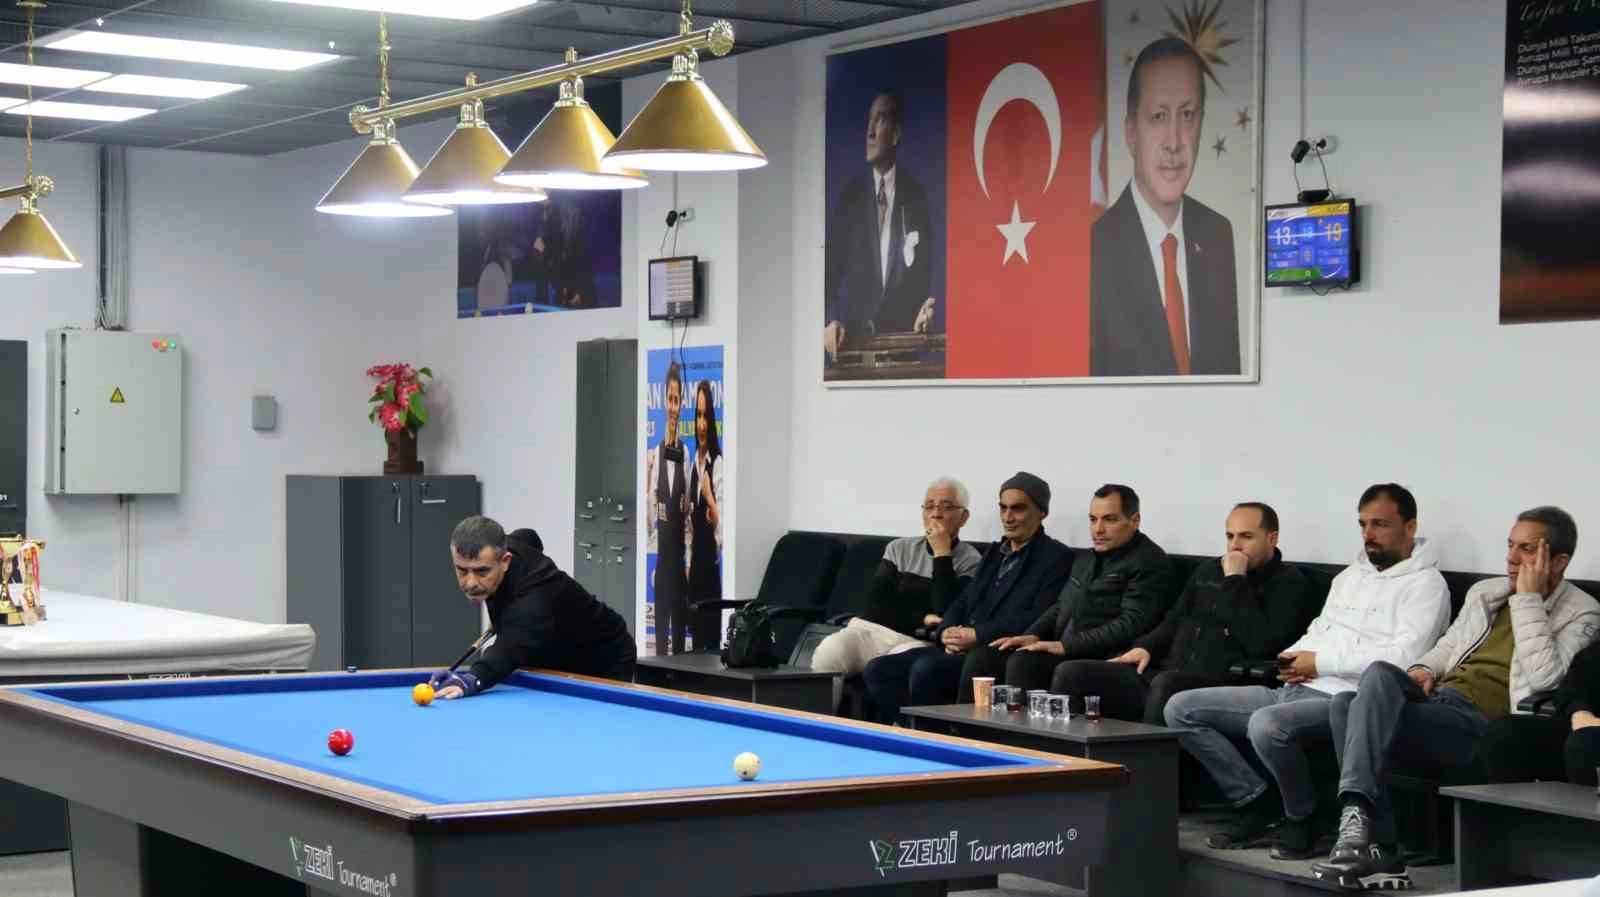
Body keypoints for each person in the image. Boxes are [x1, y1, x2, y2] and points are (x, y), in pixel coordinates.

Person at [1312, 508, 1600, 890]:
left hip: (1486, 723)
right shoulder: (1487, 593)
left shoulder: (1582, 612)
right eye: (1510, 546)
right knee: (1352, 697)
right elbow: (1448, 647)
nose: (1512, 558)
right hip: (1440, 703)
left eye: (1527, 549)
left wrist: (1528, 600)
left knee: (1350, 706)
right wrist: (1424, 669)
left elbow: (1548, 680)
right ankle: (1368, 832)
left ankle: (1372, 841)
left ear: (1559, 561)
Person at [1164, 484, 1450, 859]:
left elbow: (1402, 659)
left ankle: (1303, 817)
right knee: (1180, 708)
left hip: (1347, 699)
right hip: (1298, 686)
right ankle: (1255, 799)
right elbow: (1320, 629)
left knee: (1267, 724)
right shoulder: (1350, 577)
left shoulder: (1427, 585)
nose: (1368, 534)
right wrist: (1292, 658)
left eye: (1379, 524)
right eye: (1363, 524)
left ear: (1409, 527)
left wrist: (1320, 663)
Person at [1008, 502, 1308, 725]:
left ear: (1272, 538)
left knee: (1166, 685)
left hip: (1220, 682)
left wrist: (1235, 581)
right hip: (1166, 671)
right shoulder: (1209, 571)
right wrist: (1146, 647)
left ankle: (1151, 780)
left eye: (1246, 537)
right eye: (1230, 536)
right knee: (1073, 673)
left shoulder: (1287, 582)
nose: (1235, 546)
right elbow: (1175, 619)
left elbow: (1262, 643)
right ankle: (1071, 769)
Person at [861, 472, 1071, 724]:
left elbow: (1039, 615)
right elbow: (963, 600)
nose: (1007, 517)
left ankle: (932, 738)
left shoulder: (1056, 557)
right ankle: (917, 734)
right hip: (961, 645)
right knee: (878, 669)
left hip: (995, 650)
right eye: (1003, 508)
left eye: (1018, 509)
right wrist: (946, 631)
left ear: (1042, 512)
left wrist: (977, 635)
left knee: (927, 669)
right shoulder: (995, 552)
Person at [1090, 37, 1239, 377]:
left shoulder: (1218, 234)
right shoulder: (1095, 248)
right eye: (1158, 116)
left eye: (1187, 115)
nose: (1174, 142)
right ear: (1131, 133)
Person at [967, 485, 1175, 706]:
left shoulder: (1149, 561)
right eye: (1093, 519)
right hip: (1072, 649)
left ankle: (1025, 729)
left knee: (1027, 663)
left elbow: (1131, 623)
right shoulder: (1087, 558)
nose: (1098, 529)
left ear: (1134, 521)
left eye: (1109, 520)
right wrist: (1033, 634)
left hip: (1110, 657)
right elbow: (1061, 605)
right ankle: (963, 726)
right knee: (985, 657)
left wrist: (1066, 646)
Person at [429, 517, 636, 698]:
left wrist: (471, 679)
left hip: (602, 658)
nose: (470, 582)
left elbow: (507, 649)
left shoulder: (533, 601)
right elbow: (529, 536)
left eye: (482, 572)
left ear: (506, 561)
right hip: (550, 651)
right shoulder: (508, 544)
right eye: (462, 570)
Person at [810, 477, 984, 675]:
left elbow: (945, 613)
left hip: (917, 640)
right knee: (829, 652)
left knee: (888, 669)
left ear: (963, 517)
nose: (936, 514)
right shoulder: (899, 548)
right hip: (871, 630)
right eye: (929, 507)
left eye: (946, 507)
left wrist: (942, 554)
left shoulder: (972, 561)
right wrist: (923, 616)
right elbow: (876, 605)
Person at [824, 89, 936, 360]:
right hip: (853, 351)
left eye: (881, 120)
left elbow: (923, 278)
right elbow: (828, 274)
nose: (870, 132)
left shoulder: (916, 197)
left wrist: (921, 314)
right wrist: (830, 320)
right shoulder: (850, 197)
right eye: (869, 121)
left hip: (900, 353)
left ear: (896, 134)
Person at [1477, 638, 1600, 787]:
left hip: (1587, 743)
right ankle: (1512, 803)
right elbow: (1575, 681)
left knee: (1584, 743)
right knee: (1505, 734)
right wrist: (1580, 712)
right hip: (1585, 730)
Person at [644, 361, 690, 655]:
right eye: (669, 400)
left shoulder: (685, 453)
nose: (673, 407)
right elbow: (650, 518)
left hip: (680, 562)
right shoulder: (655, 454)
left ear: (681, 404)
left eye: (677, 400)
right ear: (664, 402)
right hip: (662, 563)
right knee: (660, 638)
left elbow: (688, 513)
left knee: (680, 634)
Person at [686, 380, 724, 630]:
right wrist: (688, 563)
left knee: (709, 636)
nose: (701, 424)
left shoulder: (718, 463)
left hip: (710, 573)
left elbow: (722, 533)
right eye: (698, 416)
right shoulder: (692, 466)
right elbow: (690, 527)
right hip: (695, 574)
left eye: (706, 416)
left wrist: (709, 498)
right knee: (694, 638)